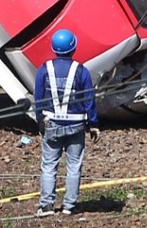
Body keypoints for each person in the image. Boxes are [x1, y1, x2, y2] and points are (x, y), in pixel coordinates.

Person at [33, 29, 98, 217]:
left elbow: (39, 97)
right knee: (74, 166)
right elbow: (89, 99)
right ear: (74, 47)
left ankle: (46, 206)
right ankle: (70, 206)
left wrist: (39, 120)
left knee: (48, 166)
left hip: (52, 124)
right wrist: (94, 124)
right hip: (76, 126)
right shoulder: (81, 71)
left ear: (54, 48)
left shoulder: (44, 69)